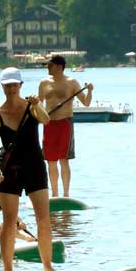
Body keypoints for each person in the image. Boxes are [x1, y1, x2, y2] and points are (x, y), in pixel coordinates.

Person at [0, 67, 59, 271]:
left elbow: (46, 120)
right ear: (2, 86)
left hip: (35, 166)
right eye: (7, 85)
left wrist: (37, 104)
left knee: (43, 218)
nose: (10, 88)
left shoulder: (32, 107)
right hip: (10, 169)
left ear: (21, 86)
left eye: (14, 84)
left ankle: (48, 267)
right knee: (9, 219)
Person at [37, 55, 93, 197]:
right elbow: (39, 104)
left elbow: (86, 103)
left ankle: (66, 194)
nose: (47, 68)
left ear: (59, 66)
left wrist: (90, 90)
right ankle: (54, 194)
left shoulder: (72, 82)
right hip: (49, 124)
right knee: (51, 161)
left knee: (64, 160)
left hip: (65, 123)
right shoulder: (44, 83)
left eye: (50, 65)